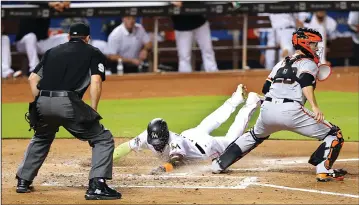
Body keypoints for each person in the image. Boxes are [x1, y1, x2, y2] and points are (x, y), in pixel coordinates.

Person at [211, 28, 347, 182]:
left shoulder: (281, 62)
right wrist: (315, 106)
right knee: (334, 134)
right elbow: (305, 81)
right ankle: (323, 170)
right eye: (314, 44)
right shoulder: (309, 63)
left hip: (268, 109)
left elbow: (266, 88)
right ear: (306, 44)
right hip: (292, 112)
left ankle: (219, 164)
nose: (317, 48)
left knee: (255, 135)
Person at [15, 22, 121, 200]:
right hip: (67, 103)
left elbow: (33, 79)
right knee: (102, 138)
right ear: (88, 38)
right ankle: (97, 186)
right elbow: (96, 81)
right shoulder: (93, 52)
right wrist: (92, 111)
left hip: (42, 102)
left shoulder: (52, 51)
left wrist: (39, 102)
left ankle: (23, 181)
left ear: (68, 37)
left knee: (42, 136)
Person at [113, 85, 262, 174]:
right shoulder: (147, 136)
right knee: (212, 120)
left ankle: (251, 103)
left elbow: (177, 161)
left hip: (205, 147)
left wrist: (165, 168)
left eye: (160, 142)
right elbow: (126, 147)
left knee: (232, 141)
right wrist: (109, 159)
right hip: (191, 135)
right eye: (155, 142)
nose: (157, 146)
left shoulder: (174, 141)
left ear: (166, 136)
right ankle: (235, 99)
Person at [15, 1, 70, 74]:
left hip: (41, 43)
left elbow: (62, 4)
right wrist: (50, 4)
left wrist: (63, 4)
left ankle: (72, 68)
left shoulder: (50, 6)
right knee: (31, 36)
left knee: (66, 37)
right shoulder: (30, 4)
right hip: (23, 44)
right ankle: (35, 70)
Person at [171, 1, 218, 73]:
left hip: (199, 21)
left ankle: (213, 72)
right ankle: (185, 78)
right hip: (181, 24)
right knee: (184, 56)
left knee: (207, 50)